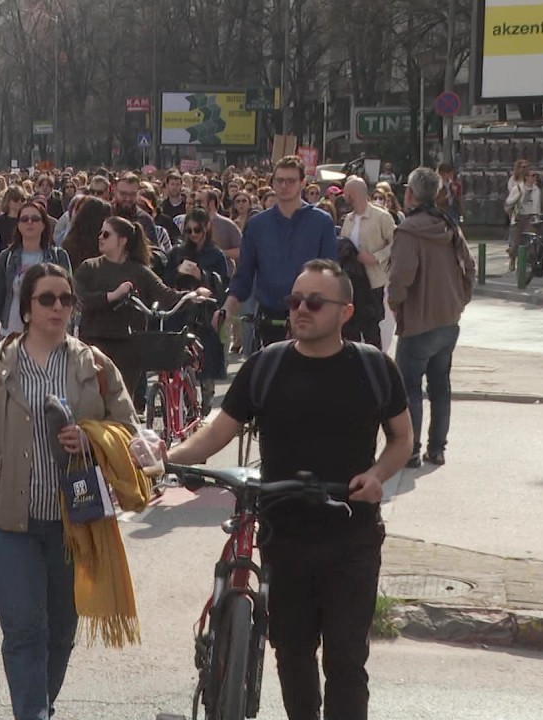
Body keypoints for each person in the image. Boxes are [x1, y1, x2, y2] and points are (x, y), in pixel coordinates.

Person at [166, 259, 413, 720]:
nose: (301, 309)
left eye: (314, 302)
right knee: (293, 655)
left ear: (345, 312)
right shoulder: (267, 365)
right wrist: (169, 458)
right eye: (295, 300)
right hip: (284, 536)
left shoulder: (374, 367)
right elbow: (220, 430)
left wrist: (378, 474)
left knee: (345, 662)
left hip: (351, 536)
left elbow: (402, 438)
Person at [0, 262, 137, 720]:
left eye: (66, 299)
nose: (58, 307)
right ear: (26, 309)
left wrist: (92, 437)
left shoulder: (95, 365)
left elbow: (128, 429)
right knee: (25, 630)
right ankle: (33, 713)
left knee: (62, 630)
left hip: (74, 522)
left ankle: (40, 704)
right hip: (5, 521)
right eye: (47, 299)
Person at [388, 167, 475, 468]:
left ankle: (410, 449)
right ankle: (437, 449)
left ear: (410, 193)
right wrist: (460, 300)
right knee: (440, 386)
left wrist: (394, 301)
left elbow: (401, 275)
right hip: (448, 321)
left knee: (409, 386)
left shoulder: (409, 230)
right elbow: (470, 267)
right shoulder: (449, 225)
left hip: (417, 322)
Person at [214, 156, 338, 348]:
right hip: (270, 319)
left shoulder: (322, 222)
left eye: (291, 181)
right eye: (279, 180)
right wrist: (227, 309)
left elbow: (331, 274)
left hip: (311, 316)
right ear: (272, 183)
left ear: (302, 183)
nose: (284, 186)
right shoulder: (257, 225)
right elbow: (244, 275)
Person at [74, 215, 197, 409]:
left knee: (121, 402)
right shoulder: (90, 267)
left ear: (122, 240)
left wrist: (193, 295)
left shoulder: (139, 271)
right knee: (91, 401)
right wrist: (113, 295)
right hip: (93, 341)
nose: (100, 237)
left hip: (127, 344)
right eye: (100, 233)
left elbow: (165, 295)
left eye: (106, 234)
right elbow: (80, 299)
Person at [162, 208, 230, 409]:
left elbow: (224, 283)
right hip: (182, 307)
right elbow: (164, 282)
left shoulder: (216, 254)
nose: (193, 235)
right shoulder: (177, 252)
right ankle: (186, 398)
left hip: (206, 310)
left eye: (197, 230)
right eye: (189, 231)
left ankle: (207, 392)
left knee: (207, 352)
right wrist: (177, 275)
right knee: (180, 352)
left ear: (206, 228)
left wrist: (203, 277)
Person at [0, 200, 72, 340]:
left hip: (47, 334)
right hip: (12, 333)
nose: (29, 222)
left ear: (44, 224)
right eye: (24, 219)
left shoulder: (58, 257)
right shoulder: (6, 257)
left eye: (35, 219)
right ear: (18, 225)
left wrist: (67, 333)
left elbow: (67, 298)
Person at [339, 177, 395, 348]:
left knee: (371, 328)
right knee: (350, 328)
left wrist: (376, 257)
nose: (344, 197)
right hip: (352, 282)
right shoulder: (348, 219)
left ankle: (375, 365)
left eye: (347, 193)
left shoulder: (381, 217)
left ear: (354, 194)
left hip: (373, 282)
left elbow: (398, 243)